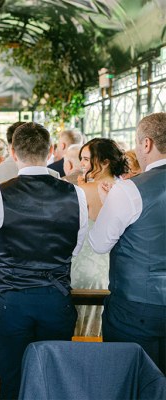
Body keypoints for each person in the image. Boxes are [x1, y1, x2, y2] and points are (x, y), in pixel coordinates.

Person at [0, 122, 88, 399]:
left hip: (11, 302)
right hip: (56, 298)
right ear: (49, 152)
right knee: (53, 382)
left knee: (12, 383)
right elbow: (75, 248)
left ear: (13, 152)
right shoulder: (75, 193)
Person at [89, 112, 166, 374]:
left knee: (132, 380)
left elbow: (99, 243)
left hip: (137, 309)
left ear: (147, 144)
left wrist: (106, 206)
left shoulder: (130, 189)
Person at [70, 139, 128, 338]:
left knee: (78, 331)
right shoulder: (127, 191)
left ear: (104, 162)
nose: (82, 165)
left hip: (81, 270)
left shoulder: (80, 192)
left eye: (86, 159)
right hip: (115, 272)